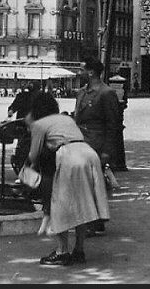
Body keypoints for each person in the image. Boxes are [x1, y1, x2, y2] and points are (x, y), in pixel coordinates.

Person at [26, 91, 110, 266]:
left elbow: (34, 155)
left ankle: (62, 251)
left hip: (69, 157)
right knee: (82, 204)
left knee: (60, 205)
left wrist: (27, 174)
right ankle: (79, 250)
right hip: (88, 154)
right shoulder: (66, 119)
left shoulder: (39, 124)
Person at [73, 58, 121, 233]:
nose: (80, 73)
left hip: (96, 144)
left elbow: (112, 125)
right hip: (80, 144)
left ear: (91, 72)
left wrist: (107, 151)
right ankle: (88, 220)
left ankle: (96, 222)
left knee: (94, 184)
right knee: (82, 183)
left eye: (82, 69)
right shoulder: (82, 92)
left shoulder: (106, 93)